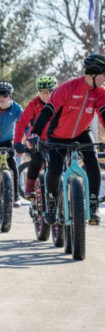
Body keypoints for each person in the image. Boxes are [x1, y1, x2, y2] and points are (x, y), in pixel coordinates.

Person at [27, 55, 105, 226]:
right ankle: (52, 204)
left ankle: (93, 206)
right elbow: (47, 111)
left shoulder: (100, 93)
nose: (104, 79)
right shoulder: (68, 87)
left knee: (93, 163)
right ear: (92, 74)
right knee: (54, 170)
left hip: (82, 133)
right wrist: (35, 133)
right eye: (103, 75)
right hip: (58, 135)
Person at [13, 76, 57, 201]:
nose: (45, 95)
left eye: (49, 92)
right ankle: (30, 188)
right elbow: (22, 123)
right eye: (42, 92)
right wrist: (17, 142)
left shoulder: (60, 101)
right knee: (37, 160)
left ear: (54, 91)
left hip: (55, 139)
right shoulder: (34, 104)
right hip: (37, 139)